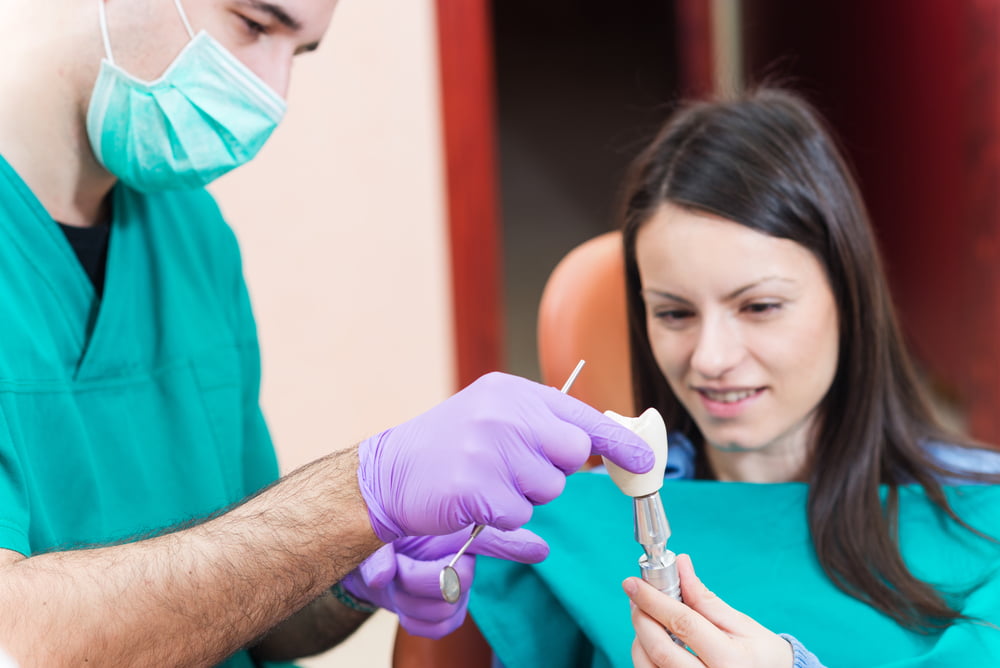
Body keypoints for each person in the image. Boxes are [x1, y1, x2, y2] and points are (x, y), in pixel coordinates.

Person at [0, 1, 655, 666]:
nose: (272, 90)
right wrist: (358, 494)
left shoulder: (191, 235)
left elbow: (242, 613)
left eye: (300, 52)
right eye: (254, 25)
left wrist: (351, 569)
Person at [395, 87, 1000, 667]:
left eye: (759, 306)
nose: (709, 358)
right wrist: (367, 543)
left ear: (848, 296)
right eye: (674, 313)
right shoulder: (560, 532)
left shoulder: (985, 522)